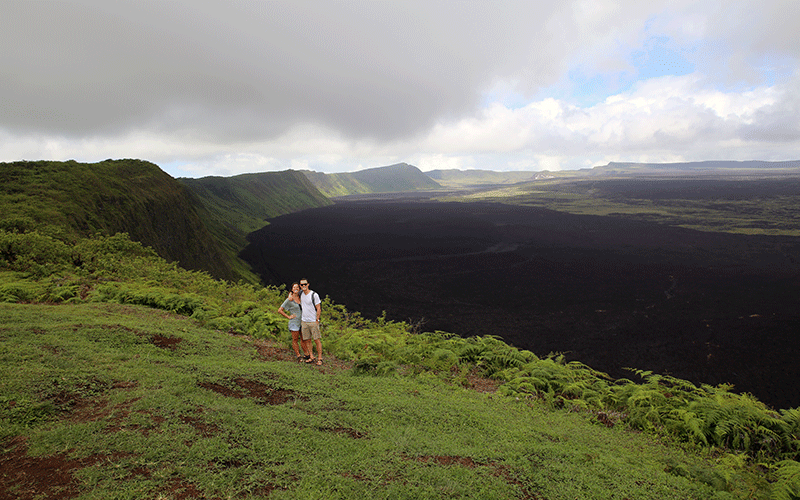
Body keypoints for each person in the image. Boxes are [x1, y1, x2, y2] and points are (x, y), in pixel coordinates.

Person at [278, 282, 306, 361]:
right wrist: (288, 316)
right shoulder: (289, 299)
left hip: (302, 322)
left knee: (303, 339)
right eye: (294, 287)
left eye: (297, 287)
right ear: (292, 289)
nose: (296, 289)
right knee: (295, 339)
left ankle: (306, 354)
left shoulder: (301, 297)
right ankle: (298, 355)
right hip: (294, 322)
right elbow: (280, 310)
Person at [299, 278, 323, 365]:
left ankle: (320, 358)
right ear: (300, 286)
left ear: (308, 284)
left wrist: (317, 319)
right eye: (302, 285)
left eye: (305, 284)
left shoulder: (314, 295)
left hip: (313, 321)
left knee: (317, 340)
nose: (303, 286)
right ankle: (311, 356)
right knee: (307, 340)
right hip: (304, 321)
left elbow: (318, 308)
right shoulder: (301, 294)